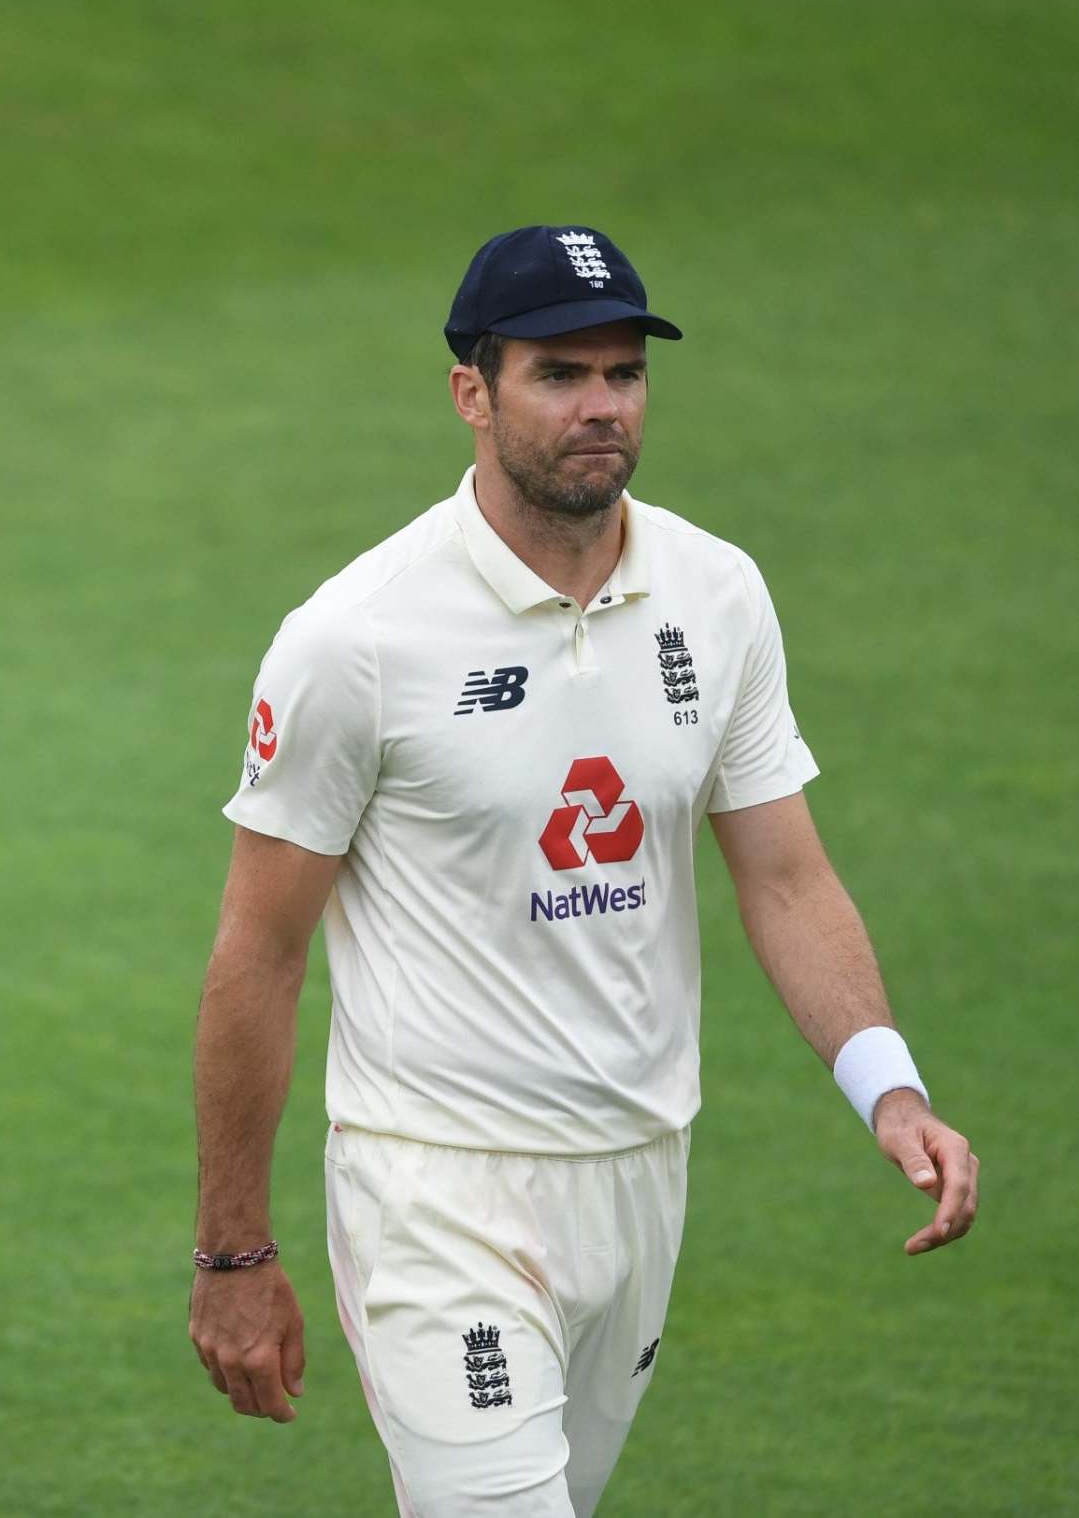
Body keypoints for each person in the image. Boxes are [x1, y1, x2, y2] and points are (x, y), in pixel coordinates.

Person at [187, 225, 979, 1516]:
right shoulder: (356, 635)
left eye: (621, 372)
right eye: (559, 373)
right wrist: (231, 1247)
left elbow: (783, 875)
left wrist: (889, 1090)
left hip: (640, 1169)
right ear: (470, 392)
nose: (600, 405)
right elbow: (257, 950)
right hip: (431, 1182)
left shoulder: (716, 595)